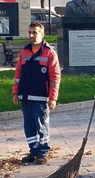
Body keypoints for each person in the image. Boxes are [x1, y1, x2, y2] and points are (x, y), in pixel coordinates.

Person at [12, 23, 61, 165]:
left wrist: (53, 98)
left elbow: (54, 77)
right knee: (29, 126)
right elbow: (18, 74)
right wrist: (15, 92)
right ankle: (33, 151)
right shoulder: (25, 52)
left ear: (42, 34)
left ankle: (43, 152)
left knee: (41, 125)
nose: (32, 35)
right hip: (25, 96)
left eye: (35, 32)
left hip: (41, 97)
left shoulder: (49, 53)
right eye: (30, 32)